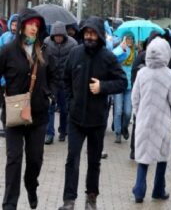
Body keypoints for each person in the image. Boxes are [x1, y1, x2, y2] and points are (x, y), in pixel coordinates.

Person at [58, 16, 127, 210]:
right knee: (72, 159)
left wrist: (103, 86)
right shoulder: (75, 53)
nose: (89, 36)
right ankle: (69, 200)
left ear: (99, 35)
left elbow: (123, 82)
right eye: (86, 33)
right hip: (76, 118)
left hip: (97, 119)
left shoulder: (108, 57)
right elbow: (65, 79)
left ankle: (91, 198)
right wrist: (71, 102)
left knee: (94, 161)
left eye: (93, 33)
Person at [0, 8, 57, 210]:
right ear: (22, 26)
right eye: (30, 24)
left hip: (39, 116)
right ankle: (9, 204)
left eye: (37, 25)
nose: (34, 28)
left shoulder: (45, 50)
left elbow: (54, 76)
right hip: (14, 115)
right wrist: (2, 99)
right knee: (13, 160)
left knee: (35, 160)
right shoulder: (8, 50)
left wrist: (50, 96)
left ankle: (31, 186)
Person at [132, 37, 171, 203]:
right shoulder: (170, 75)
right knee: (162, 157)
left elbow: (135, 97)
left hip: (144, 120)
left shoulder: (142, 73)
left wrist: (139, 114)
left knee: (143, 157)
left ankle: (139, 191)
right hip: (162, 121)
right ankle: (158, 190)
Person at [44, 21, 78, 144]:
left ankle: (63, 130)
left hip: (65, 81)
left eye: (60, 36)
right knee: (50, 107)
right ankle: (49, 133)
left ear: (64, 35)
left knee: (64, 109)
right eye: (56, 36)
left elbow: (76, 61)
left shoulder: (73, 44)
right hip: (52, 81)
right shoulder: (46, 43)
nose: (58, 38)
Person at [112, 34, 137, 143]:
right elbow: (113, 58)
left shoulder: (135, 53)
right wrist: (121, 49)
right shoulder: (120, 50)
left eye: (131, 39)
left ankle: (124, 127)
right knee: (118, 111)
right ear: (124, 40)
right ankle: (118, 133)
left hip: (130, 86)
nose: (129, 41)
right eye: (127, 39)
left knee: (127, 112)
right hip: (118, 84)